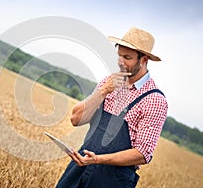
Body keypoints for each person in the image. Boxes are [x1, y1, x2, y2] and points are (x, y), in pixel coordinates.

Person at [56, 27, 168, 188]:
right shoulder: (108, 83)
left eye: (127, 57)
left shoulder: (154, 100)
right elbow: (76, 119)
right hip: (79, 167)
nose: (120, 62)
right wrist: (103, 91)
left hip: (113, 180)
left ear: (144, 60)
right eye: (119, 56)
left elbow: (142, 154)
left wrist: (98, 159)